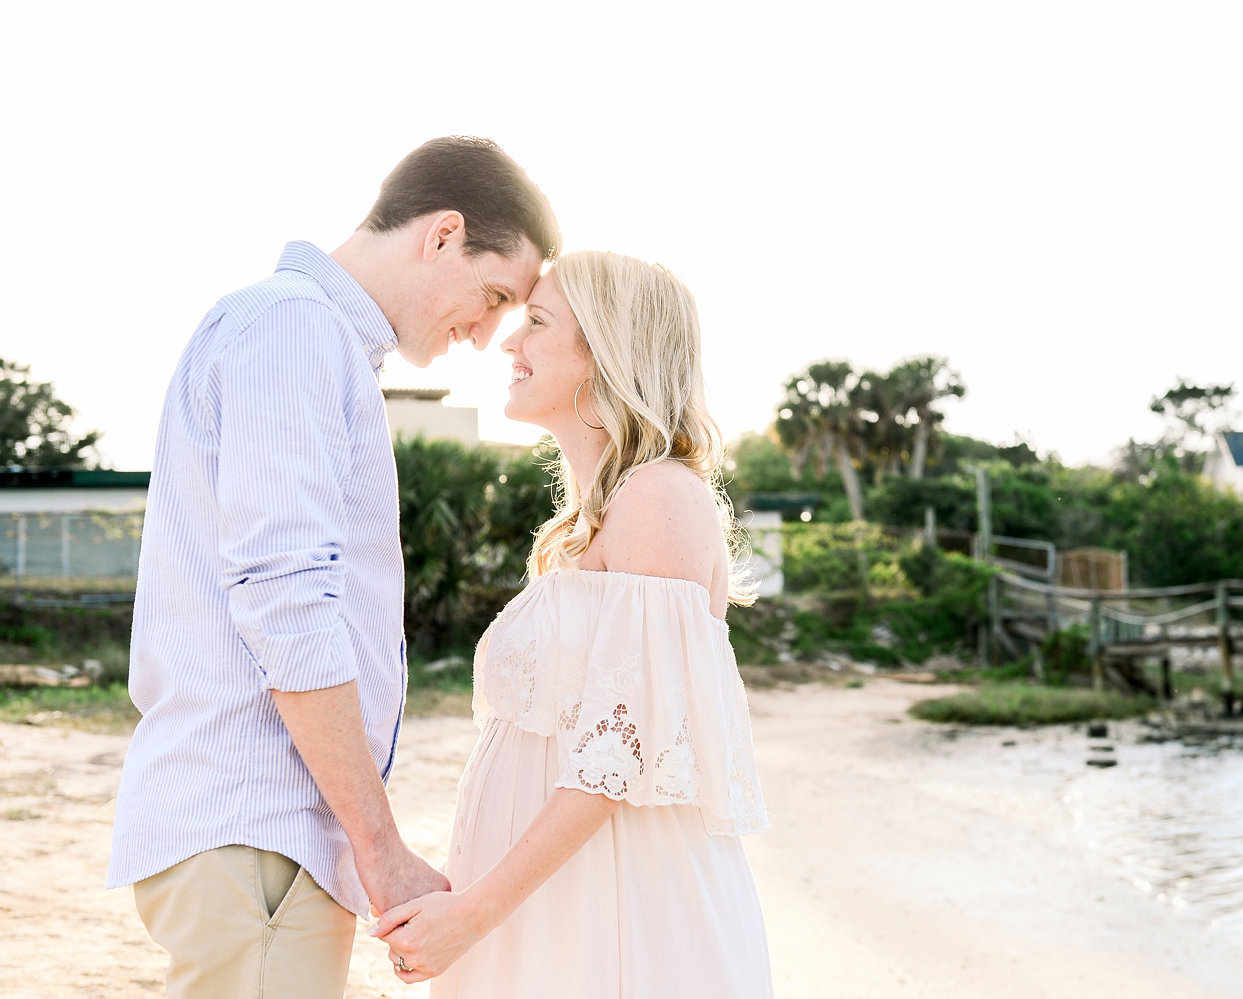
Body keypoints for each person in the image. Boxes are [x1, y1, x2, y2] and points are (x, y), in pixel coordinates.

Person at [107, 136, 560, 999]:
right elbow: (287, 600)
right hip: (255, 834)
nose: (485, 331)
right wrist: (380, 848)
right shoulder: (295, 330)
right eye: (494, 293)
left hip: (257, 842)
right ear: (442, 234)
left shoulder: (308, 337)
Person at [371, 251, 774, 997]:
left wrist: (475, 912)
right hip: (543, 902)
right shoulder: (587, 522)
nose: (507, 343)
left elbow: (623, 747)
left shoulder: (658, 499)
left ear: (606, 351)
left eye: (537, 322)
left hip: (614, 906)